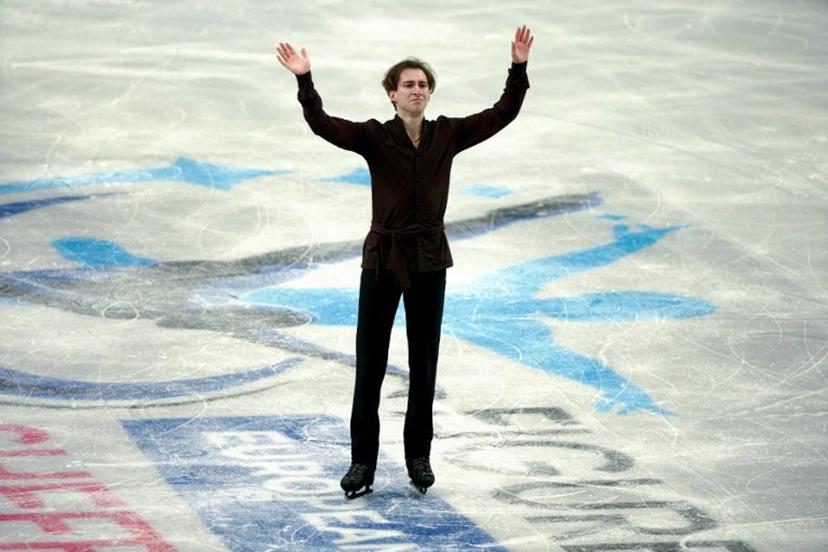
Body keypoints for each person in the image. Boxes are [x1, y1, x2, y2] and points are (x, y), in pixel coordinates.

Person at [276, 25, 533, 498]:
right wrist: (305, 80)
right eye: (408, 84)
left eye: (423, 84)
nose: (417, 90)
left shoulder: (448, 134)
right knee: (370, 363)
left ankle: (419, 455)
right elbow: (324, 124)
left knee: (424, 363)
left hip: (429, 260)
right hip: (383, 259)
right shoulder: (374, 137)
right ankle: (361, 463)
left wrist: (518, 68)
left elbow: (502, 114)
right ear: (392, 95)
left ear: (428, 94)